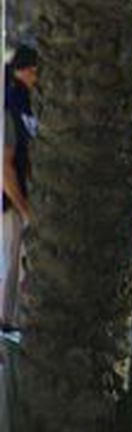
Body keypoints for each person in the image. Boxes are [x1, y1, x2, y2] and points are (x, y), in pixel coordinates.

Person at [2, 45, 39, 326]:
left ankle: (13, 321)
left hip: (25, 198)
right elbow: (5, 165)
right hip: (10, 202)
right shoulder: (9, 104)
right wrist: (23, 207)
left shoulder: (29, 102)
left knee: (20, 263)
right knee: (9, 262)